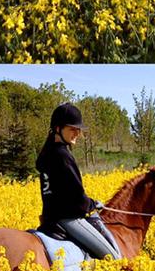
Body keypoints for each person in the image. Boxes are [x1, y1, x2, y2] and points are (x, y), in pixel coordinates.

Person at [36, 105, 121, 261]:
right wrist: (92, 204)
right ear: (57, 128)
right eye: (72, 129)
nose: (78, 133)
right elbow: (75, 196)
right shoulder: (62, 155)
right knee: (113, 258)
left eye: (79, 129)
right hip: (67, 218)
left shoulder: (47, 153)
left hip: (49, 217)